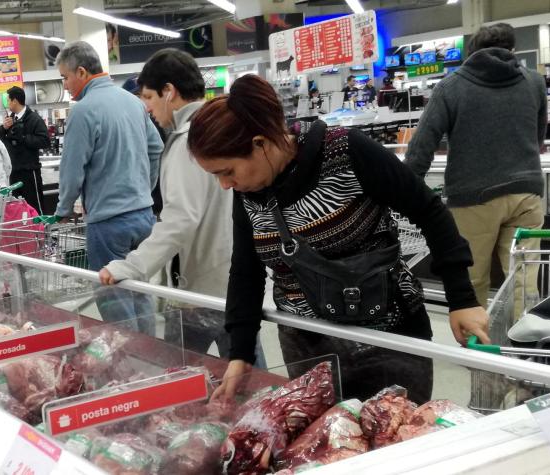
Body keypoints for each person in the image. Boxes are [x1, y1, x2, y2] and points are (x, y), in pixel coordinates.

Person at [188, 74, 490, 404]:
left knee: (395, 440)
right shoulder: (250, 192)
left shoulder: (346, 152)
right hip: (307, 347)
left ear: (260, 144)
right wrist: (241, 353)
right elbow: (246, 270)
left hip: (387, 339)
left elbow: (430, 211)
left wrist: (462, 298)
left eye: (226, 171)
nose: (224, 185)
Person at [98, 49, 266, 365]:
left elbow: (180, 218)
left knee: (176, 375)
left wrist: (131, 266)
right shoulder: (221, 129)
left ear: (169, 92)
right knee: (251, 374)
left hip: (200, 291)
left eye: (149, 97)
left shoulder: (189, 140)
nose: (147, 107)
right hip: (234, 280)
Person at [405, 23, 546, 312]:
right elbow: (539, 137)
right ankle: (526, 348)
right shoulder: (534, 82)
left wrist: (408, 191)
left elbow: (422, 146)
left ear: (470, 53)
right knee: (524, 278)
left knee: (471, 279)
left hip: (473, 199)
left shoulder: (451, 86)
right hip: (527, 194)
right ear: (513, 50)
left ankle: (476, 349)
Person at [55, 41, 163, 331]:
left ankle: (127, 362)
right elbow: (156, 148)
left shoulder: (83, 111)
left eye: (65, 77)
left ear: (81, 72)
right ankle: (148, 355)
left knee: (113, 295)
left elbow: (72, 169)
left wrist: (64, 208)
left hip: (108, 222)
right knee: (140, 289)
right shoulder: (133, 102)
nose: (64, 85)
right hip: (143, 217)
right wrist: (144, 187)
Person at [0, 86, 50, 214]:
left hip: (29, 172)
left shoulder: (34, 119)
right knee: (17, 211)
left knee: (35, 207)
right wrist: (3, 129)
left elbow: (45, 141)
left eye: (8, 100)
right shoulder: (10, 119)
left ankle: (42, 233)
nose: (7, 104)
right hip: (13, 172)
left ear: (15, 101)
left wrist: (24, 138)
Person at [122, 74, 166, 216]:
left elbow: (156, 150)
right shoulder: (152, 120)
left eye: (146, 96)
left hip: (152, 202)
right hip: (152, 201)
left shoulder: (152, 121)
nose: (142, 102)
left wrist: (147, 190)